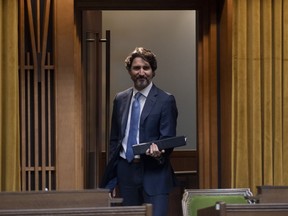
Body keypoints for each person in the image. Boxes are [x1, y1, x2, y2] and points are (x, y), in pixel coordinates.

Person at [101, 47, 178, 216]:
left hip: (154, 173)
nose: (141, 72)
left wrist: (159, 153)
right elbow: (114, 141)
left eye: (146, 68)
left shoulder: (166, 100)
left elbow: (168, 138)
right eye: (136, 68)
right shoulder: (120, 99)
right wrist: (112, 179)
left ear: (153, 72)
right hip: (125, 171)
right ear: (130, 71)